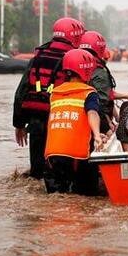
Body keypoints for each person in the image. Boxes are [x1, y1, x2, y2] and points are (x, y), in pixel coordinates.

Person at [12, 17, 85, 179]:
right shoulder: (73, 59)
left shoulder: (36, 57)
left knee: (37, 173)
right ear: (74, 36)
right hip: (61, 121)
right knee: (59, 170)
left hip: (35, 119)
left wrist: (19, 123)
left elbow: (21, 91)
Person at [43, 48, 104, 195]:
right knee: (85, 200)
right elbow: (92, 113)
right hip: (78, 156)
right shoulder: (88, 92)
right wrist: (97, 135)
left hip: (52, 156)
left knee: (56, 200)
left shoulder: (54, 93)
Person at [79, 31, 117, 135]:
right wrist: (107, 125)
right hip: (94, 120)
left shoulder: (75, 64)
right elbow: (101, 103)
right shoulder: (99, 72)